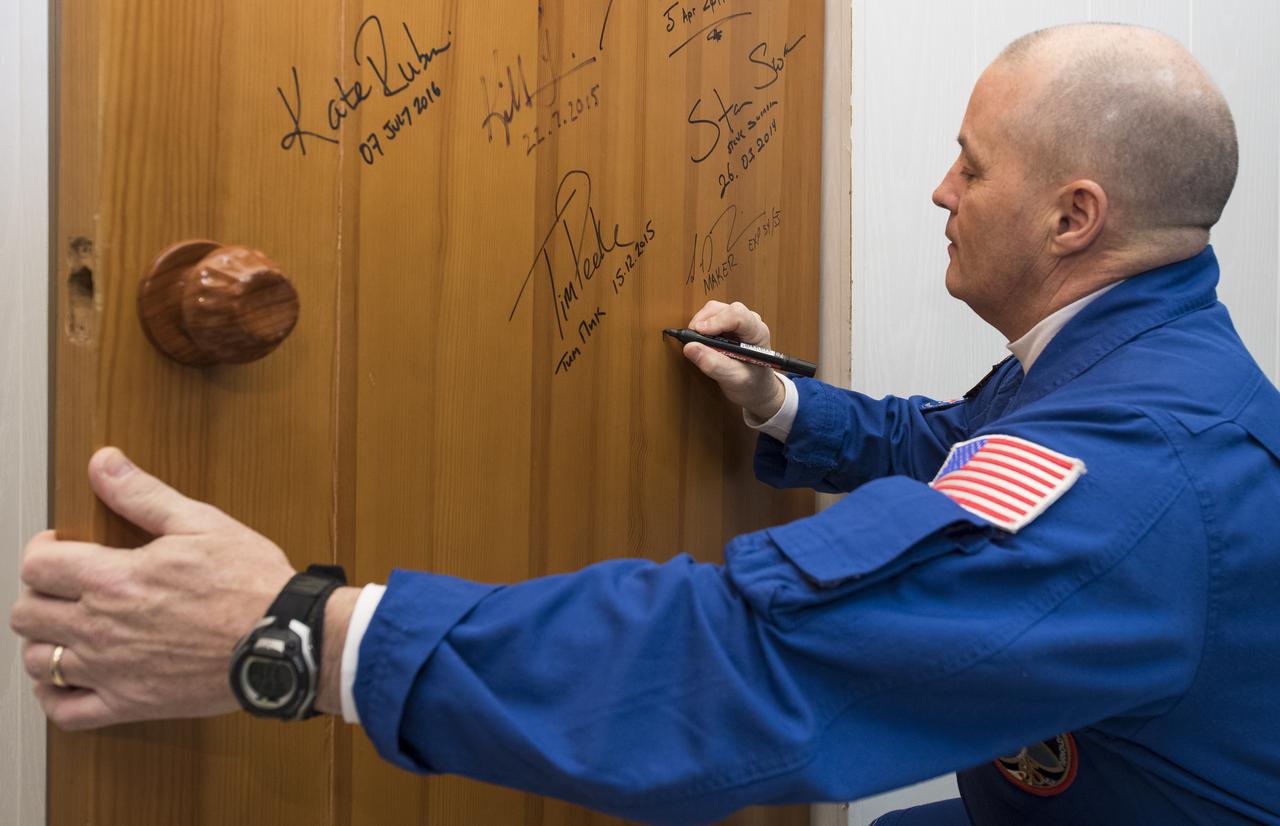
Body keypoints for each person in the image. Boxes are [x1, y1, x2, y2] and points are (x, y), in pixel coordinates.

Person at [11, 21, 1280, 825]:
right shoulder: (1137, 366)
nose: (936, 187)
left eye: (971, 162)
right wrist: (780, 400)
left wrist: (302, 633)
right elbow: (966, 457)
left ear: (1072, 217)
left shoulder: (1137, 478)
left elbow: (742, 673)